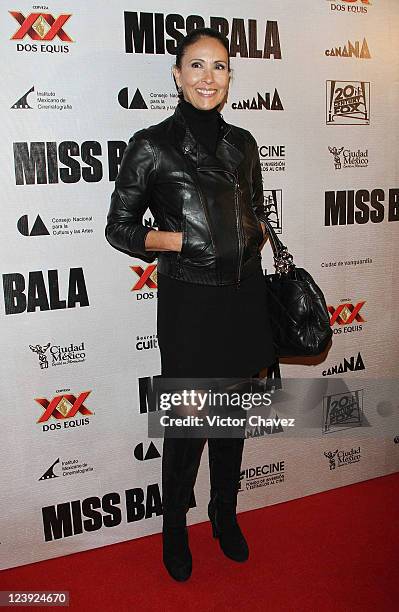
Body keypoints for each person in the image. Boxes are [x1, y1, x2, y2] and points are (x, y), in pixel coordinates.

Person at [105, 27, 276, 582]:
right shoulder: (150, 145)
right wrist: (179, 240)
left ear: (230, 77)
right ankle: (173, 523)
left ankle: (224, 512)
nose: (209, 77)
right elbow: (120, 229)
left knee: (232, 421)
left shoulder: (243, 143)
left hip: (243, 298)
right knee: (188, 424)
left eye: (220, 67)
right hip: (190, 304)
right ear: (177, 76)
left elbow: (255, 212)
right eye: (197, 66)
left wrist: (250, 237)